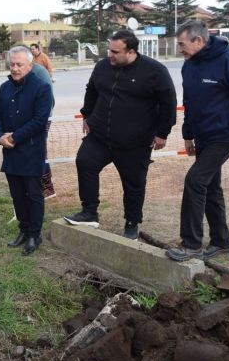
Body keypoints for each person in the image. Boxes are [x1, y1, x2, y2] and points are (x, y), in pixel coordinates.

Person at [166, 20, 229, 262]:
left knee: (195, 180)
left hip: (225, 134)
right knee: (211, 186)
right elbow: (189, 101)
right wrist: (188, 134)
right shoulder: (189, 64)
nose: (179, 49)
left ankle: (191, 245)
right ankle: (222, 241)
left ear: (198, 41)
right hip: (202, 135)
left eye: (182, 44)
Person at [63, 30, 177, 239]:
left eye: (115, 52)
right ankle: (89, 212)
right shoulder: (103, 67)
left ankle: (132, 223)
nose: (110, 56)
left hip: (134, 142)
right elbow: (92, 90)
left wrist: (163, 133)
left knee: (133, 184)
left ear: (131, 51)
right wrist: (87, 114)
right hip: (100, 136)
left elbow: (168, 102)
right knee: (85, 163)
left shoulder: (155, 71)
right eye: (109, 50)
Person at [0, 46, 53, 256]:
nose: (15, 68)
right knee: (17, 195)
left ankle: (34, 235)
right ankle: (23, 229)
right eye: (12, 64)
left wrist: (14, 137)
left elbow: (39, 120)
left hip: (31, 150)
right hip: (11, 151)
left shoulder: (42, 88)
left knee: (33, 194)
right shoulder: (4, 87)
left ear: (30, 65)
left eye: (20, 64)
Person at [30, 61, 57, 199]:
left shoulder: (39, 71)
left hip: (43, 119)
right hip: (29, 120)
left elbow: (49, 99)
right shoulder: (19, 73)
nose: (14, 67)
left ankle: (48, 187)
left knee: (40, 150)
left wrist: (43, 117)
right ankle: (36, 185)